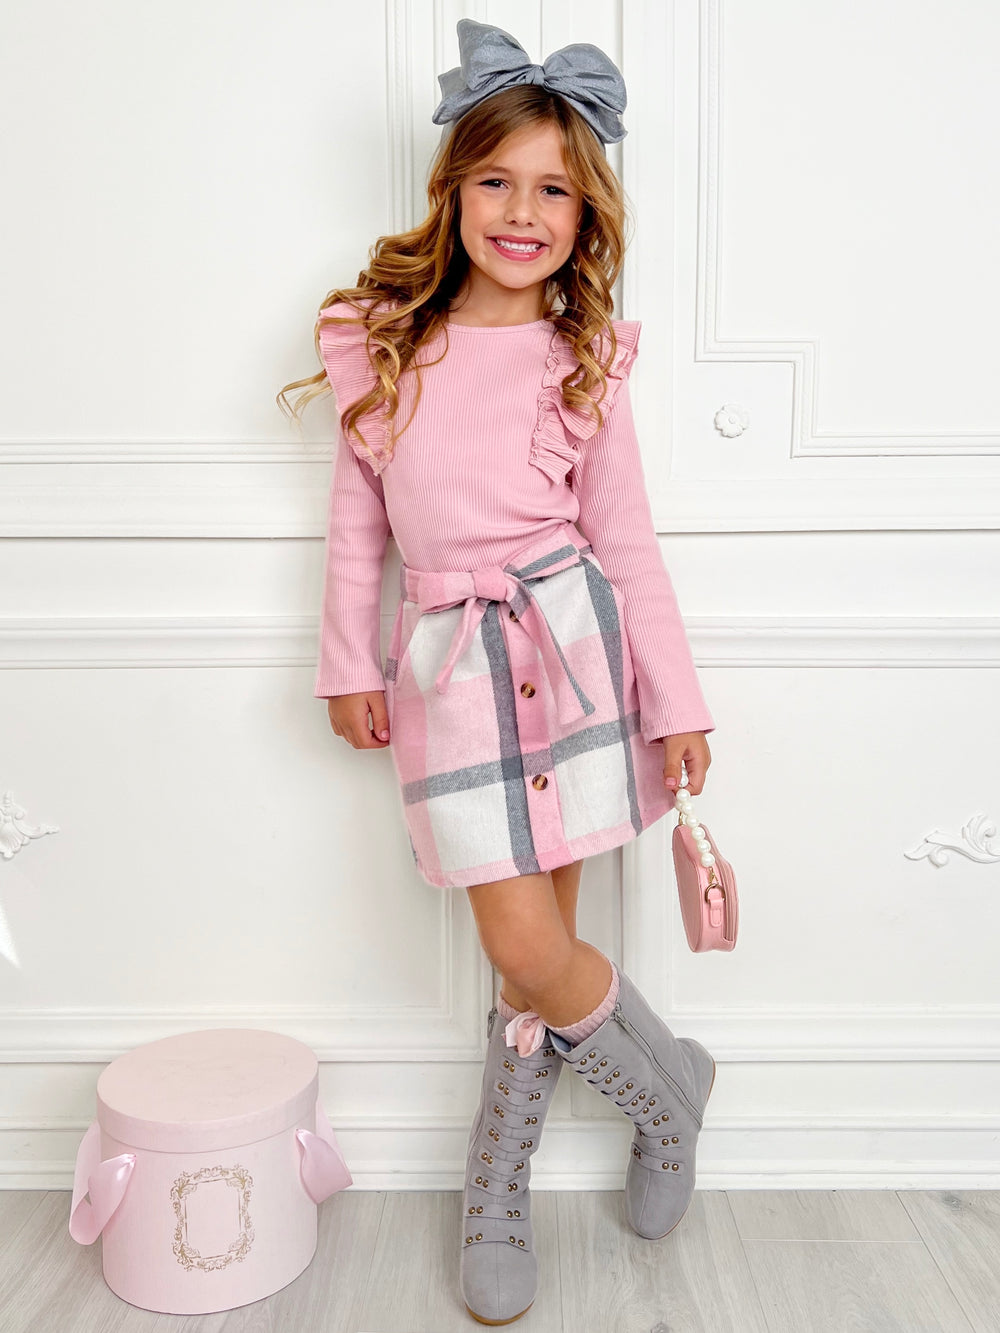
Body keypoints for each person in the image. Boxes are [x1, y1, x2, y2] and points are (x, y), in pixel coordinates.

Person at [278, 19, 719, 1327]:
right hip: (451, 669)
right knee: (524, 939)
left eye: (554, 191)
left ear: (584, 216)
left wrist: (677, 700)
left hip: (572, 652)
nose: (523, 213)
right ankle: (672, 1090)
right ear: (452, 188)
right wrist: (347, 661)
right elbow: (357, 526)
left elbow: (626, 542)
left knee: (535, 956)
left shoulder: (584, 363)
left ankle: (500, 1179)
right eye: (497, 180)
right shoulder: (380, 342)